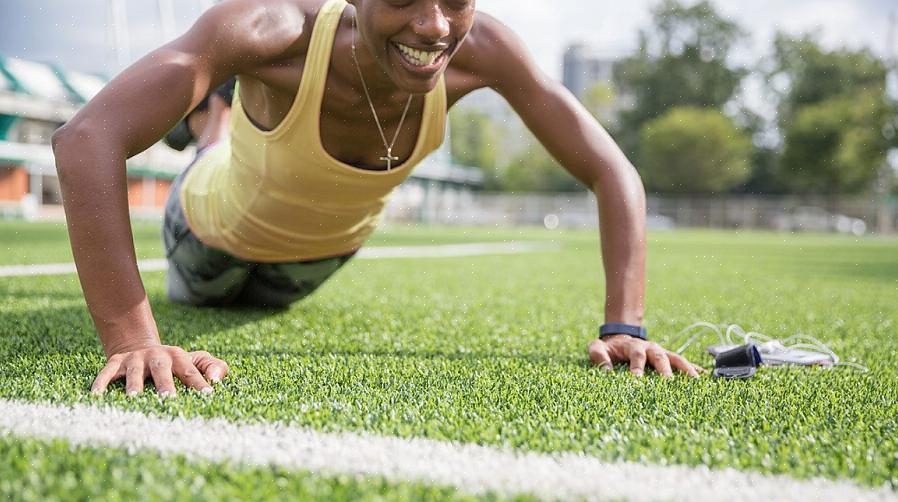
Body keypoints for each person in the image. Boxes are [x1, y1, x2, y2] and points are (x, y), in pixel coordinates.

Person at [52, 0, 703, 397]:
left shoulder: (484, 51)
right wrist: (132, 338)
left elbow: (614, 171)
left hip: (311, 266)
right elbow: (86, 140)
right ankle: (209, 124)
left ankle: (217, 117)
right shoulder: (268, 27)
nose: (433, 24)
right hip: (205, 236)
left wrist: (625, 327)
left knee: (255, 302)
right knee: (207, 274)